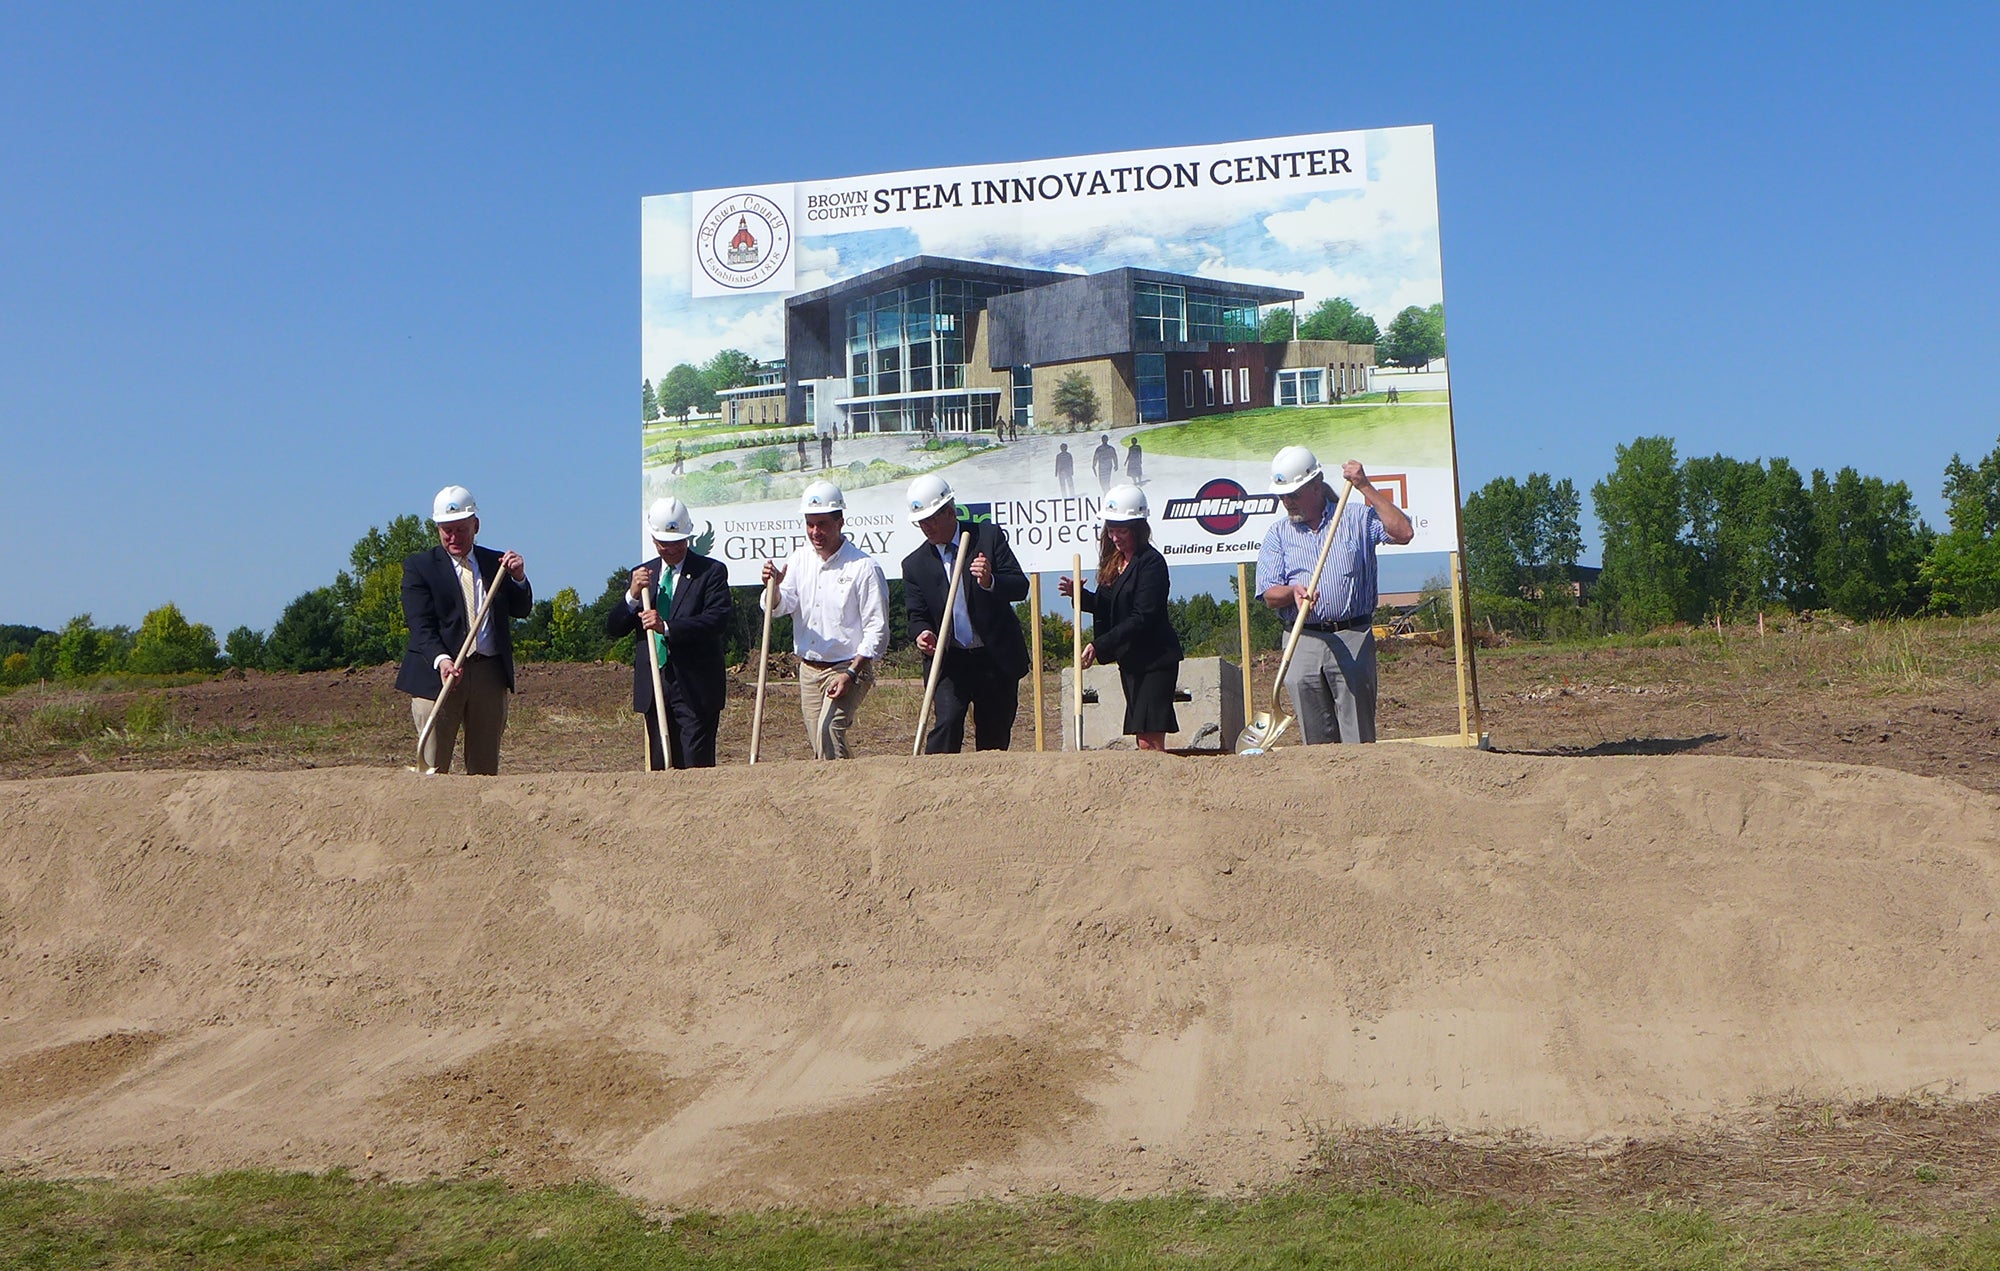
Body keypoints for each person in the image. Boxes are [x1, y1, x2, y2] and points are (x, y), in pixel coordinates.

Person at [1255, 446, 1415, 744]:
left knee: (1358, 736)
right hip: (1302, 639)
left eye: (1293, 494)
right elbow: (1268, 594)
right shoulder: (1278, 534)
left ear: (1315, 486)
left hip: (1352, 634)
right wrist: (1292, 592)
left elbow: (1403, 533)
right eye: (1282, 496)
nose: (1286, 502)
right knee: (1315, 742)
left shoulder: (1355, 518)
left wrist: (1365, 486)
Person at [396, 484, 532, 774]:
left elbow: (521, 610)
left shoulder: (496, 564)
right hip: (437, 677)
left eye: (460, 529)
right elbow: (420, 626)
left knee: (484, 771)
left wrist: (519, 577)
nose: (453, 537)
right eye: (447, 531)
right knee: (433, 769)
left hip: (488, 675)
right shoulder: (420, 567)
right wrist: (442, 660)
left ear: (476, 525)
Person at [901, 474, 1031, 753]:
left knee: (994, 733)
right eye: (921, 522)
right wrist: (922, 633)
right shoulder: (915, 565)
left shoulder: (987, 537)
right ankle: (936, 783)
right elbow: (917, 615)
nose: (927, 527)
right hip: (951, 660)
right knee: (947, 723)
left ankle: (987, 790)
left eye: (932, 519)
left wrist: (990, 581)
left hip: (994, 657)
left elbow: (1020, 586)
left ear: (950, 511)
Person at [762, 481, 889, 759]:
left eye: (822, 524)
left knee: (829, 731)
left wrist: (851, 673)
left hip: (848, 667)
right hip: (809, 670)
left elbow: (876, 630)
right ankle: (836, 793)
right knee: (820, 745)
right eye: (809, 524)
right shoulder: (798, 560)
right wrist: (774, 589)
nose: (815, 532)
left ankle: (846, 794)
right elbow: (782, 606)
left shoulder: (863, 567)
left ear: (840, 522)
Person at [605, 497, 733, 769]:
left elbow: (716, 620)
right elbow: (613, 627)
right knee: (661, 764)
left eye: (678, 542)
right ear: (653, 539)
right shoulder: (643, 575)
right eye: (665, 543)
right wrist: (632, 595)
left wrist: (667, 627)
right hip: (655, 683)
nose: (672, 549)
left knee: (694, 762)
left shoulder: (710, 572)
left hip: (695, 687)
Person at [1058, 485, 1181, 751]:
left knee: (1150, 741)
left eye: (1122, 530)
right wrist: (1080, 596)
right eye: (1111, 530)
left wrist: (1099, 645)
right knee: (1141, 738)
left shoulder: (1151, 563)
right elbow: (1109, 607)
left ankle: (1159, 788)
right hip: (1131, 662)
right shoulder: (1114, 562)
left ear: (1138, 528)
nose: (1115, 537)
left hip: (1155, 660)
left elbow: (1143, 616)